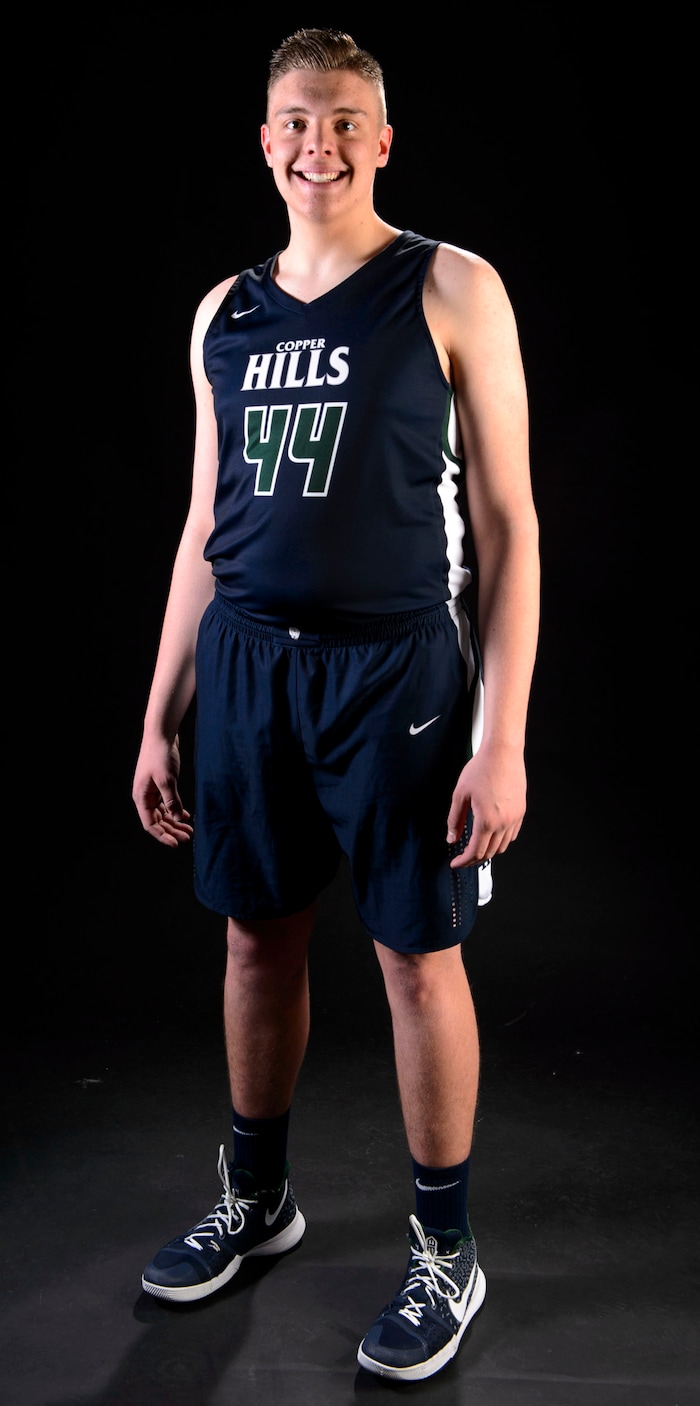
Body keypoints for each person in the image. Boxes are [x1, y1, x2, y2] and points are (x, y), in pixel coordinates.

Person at [132, 27, 540, 1384]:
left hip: (399, 674)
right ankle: (258, 1200)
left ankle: (445, 1249)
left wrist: (503, 736)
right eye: (298, 119)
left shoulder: (451, 286)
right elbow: (204, 523)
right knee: (257, 939)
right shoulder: (224, 313)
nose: (322, 142)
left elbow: (510, 524)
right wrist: (157, 711)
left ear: (382, 138)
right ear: (266, 139)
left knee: (417, 955)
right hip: (251, 662)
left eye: (347, 119)